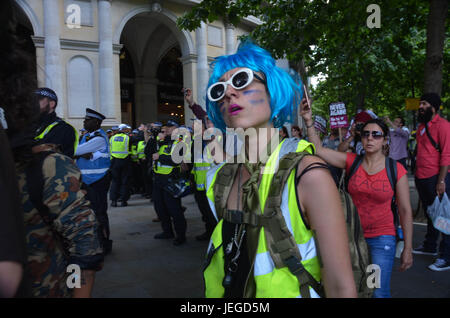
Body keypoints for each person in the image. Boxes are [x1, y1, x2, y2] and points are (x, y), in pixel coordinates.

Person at [203, 42, 357, 298]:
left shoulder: (309, 176)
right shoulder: (222, 178)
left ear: (272, 90)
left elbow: (341, 287)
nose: (229, 93)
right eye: (219, 89)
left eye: (242, 80)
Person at [301, 104, 414, 297]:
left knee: (376, 290)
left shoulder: (396, 170)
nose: (370, 138)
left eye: (376, 135)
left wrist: (408, 248)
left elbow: (405, 210)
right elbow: (318, 149)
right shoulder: (351, 161)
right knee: (352, 287)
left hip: (382, 239)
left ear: (385, 140)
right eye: (366, 134)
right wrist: (308, 120)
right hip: (350, 237)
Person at [412, 93, 450, 271]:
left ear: (433, 107)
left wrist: (441, 180)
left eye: (424, 104)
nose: (420, 106)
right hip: (422, 177)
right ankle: (429, 246)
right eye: (420, 103)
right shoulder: (421, 126)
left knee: (444, 217)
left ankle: (446, 256)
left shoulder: (443, 126)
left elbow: (446, 155)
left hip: (436, 178)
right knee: (431, 213)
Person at [74, 108, 113, 255]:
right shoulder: (87, 136)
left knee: (99, 213)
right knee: (91, 213)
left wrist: (82, 154)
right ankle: (95, 243)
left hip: (97, 180)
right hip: (87, 181)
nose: (84, 121)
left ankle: (104, 244)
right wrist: (84, 154)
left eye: (87, 120)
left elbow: (76, 151)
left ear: (96, 122)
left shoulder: (98, 138)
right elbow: (81, 153)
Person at [152, 120, 187, 246]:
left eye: (170, 128)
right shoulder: (163, 141)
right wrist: (155, 139)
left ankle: (180, 235)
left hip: (171, 180)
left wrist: (159, 157)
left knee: (174, 209)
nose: (166, 130)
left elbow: (177, 159)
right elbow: (148, 151)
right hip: (158, 179)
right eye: (165, 128)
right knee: (160, 208)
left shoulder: (180, 141)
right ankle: (167, 231)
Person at [34, 87, 78, 158]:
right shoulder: (29, 125)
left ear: (52, 104)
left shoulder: (64, 129)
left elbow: (47, 155)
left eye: (39, 99)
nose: (34, 103)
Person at [109, 124, 132, 207]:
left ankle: (114, 201)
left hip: (114, 161)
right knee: (124, 181)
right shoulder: (127, 137)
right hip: (125, 161)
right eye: (126, 129)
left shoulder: (112, 138)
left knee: (115, 181)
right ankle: (123, 201)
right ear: (123, 129)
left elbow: (110, 149)